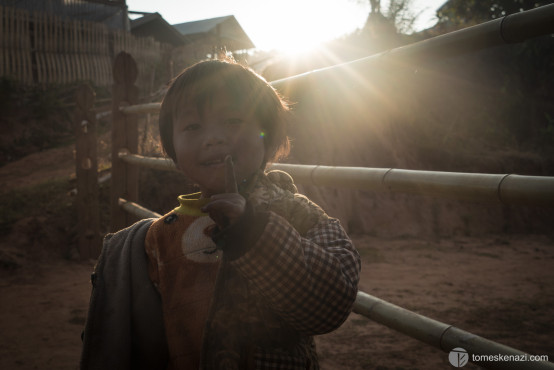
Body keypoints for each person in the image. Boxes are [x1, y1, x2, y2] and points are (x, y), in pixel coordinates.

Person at [80, 58, 361, 370]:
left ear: (267, 134)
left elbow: (333, 303)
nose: (212, 137)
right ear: (173, 149)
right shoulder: (160, 235)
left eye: (232, 121)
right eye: (192, 126)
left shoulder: (296, 213)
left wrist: (252, 233)